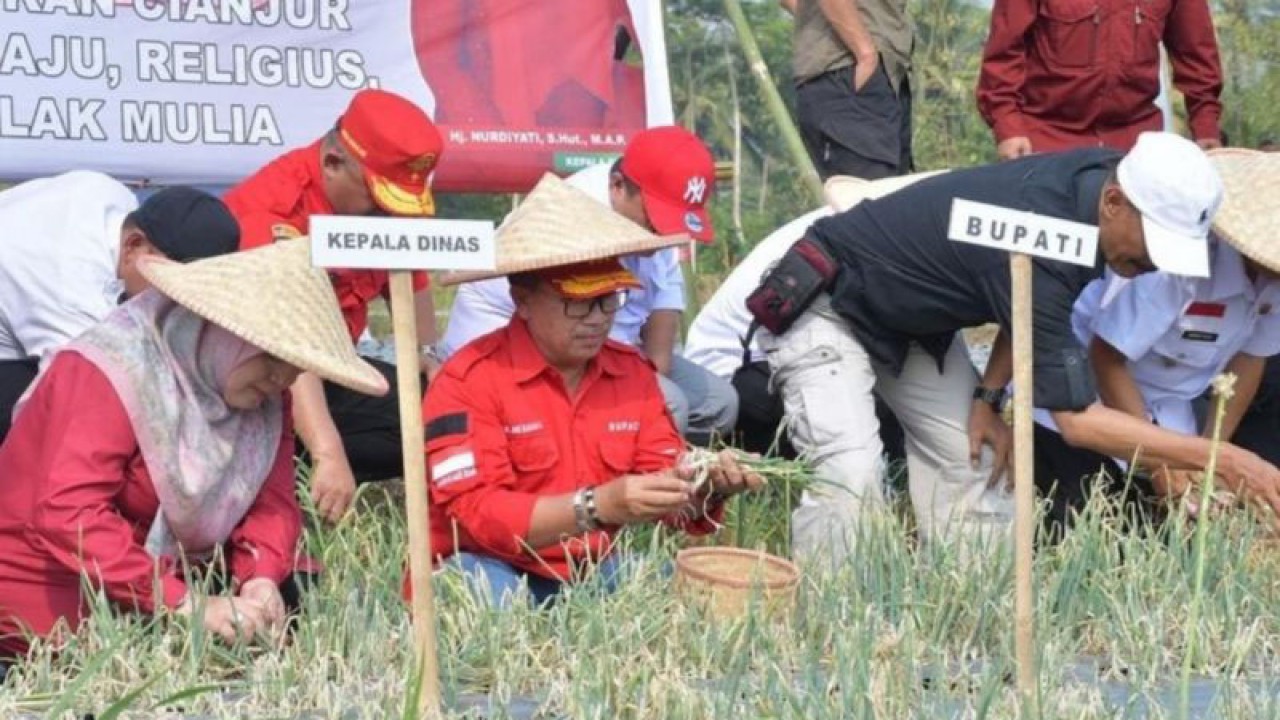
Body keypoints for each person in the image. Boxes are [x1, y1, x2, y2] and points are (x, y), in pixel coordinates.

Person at [747, 132, 1268, 562]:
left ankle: (973, 609)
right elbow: (1076, 422)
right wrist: (1223, 460)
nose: (1156, 263)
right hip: (832, 301)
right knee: (852, 473)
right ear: (1114, 203)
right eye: (1155, 243)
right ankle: (831, 618)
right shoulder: (1057, 233)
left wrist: (989, 397)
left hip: (913, 326)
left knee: (973, 461)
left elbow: (1019, 297)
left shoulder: (1100, 183)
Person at [0, 239, 389, 659]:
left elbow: (272, 499)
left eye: (296, 368)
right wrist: (182, 602)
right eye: (271, 359)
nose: (281, 379)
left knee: (296, 601)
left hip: (177, 578)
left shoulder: (264, 397)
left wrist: (260, 577)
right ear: (223, 332)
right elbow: (68, 513)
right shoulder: (114, 369)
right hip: (55, 579)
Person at [414, 174, 763, 606]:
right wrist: (595, 507)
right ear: (522, 300)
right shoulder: (466, 381)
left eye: (609, 299)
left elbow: (671, 491)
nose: (598, 318)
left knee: (683, 593)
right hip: (485, 564)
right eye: (578, 302)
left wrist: (709, 488)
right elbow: (480, 517)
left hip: (589, 571)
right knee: (488, 599)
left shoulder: (630, 373)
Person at [223, 88, 443, 523]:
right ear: (333, 163)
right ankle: (282, 485)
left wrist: (426, 357)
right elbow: (286, 347)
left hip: (328, 371)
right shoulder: (274, 212)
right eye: (378, 197)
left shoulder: (378, 213)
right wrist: (328, 451)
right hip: (250, 380)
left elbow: (415, 306)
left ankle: (295, 472)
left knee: (442, 412)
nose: (388, 213)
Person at [1032, 149, 1280, 535]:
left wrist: (1210, 457)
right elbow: (1106, 358)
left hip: (1172, 410)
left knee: (1183, 531)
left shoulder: (1272, 283)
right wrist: (1160, 463)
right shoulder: (1174, 262)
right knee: (1092, 530)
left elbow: (1250, 360)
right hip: (1085, 402)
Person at [440, 126, 739, 445]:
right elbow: (577, 328)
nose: (662, 233)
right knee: (667, 406)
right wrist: (645, 392)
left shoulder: (649, 209)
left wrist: (655, 371)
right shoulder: (573, 214)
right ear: (618, 186)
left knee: (717, 404)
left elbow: (666, 294)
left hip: (607, 339)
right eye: (656, 221)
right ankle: (614, 470)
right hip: (525, 341)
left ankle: (659, 461)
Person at [0, 174, 239, 442]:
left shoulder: (109, 193)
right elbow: (82, 392)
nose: (181, 304)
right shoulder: (71, 291)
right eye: (174, 288)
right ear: (133, 246)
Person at [976, 0, 1223, 159]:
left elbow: (1196, 52)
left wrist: (1206, 127)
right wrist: (1008, 128)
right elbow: (1004, 53)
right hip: (1045, 142)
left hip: (1133, 147)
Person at [779, 0, 915, 180]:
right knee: (873, 192)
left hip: (879, 72)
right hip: (850, 70)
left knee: (891, 190)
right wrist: (865, 53)